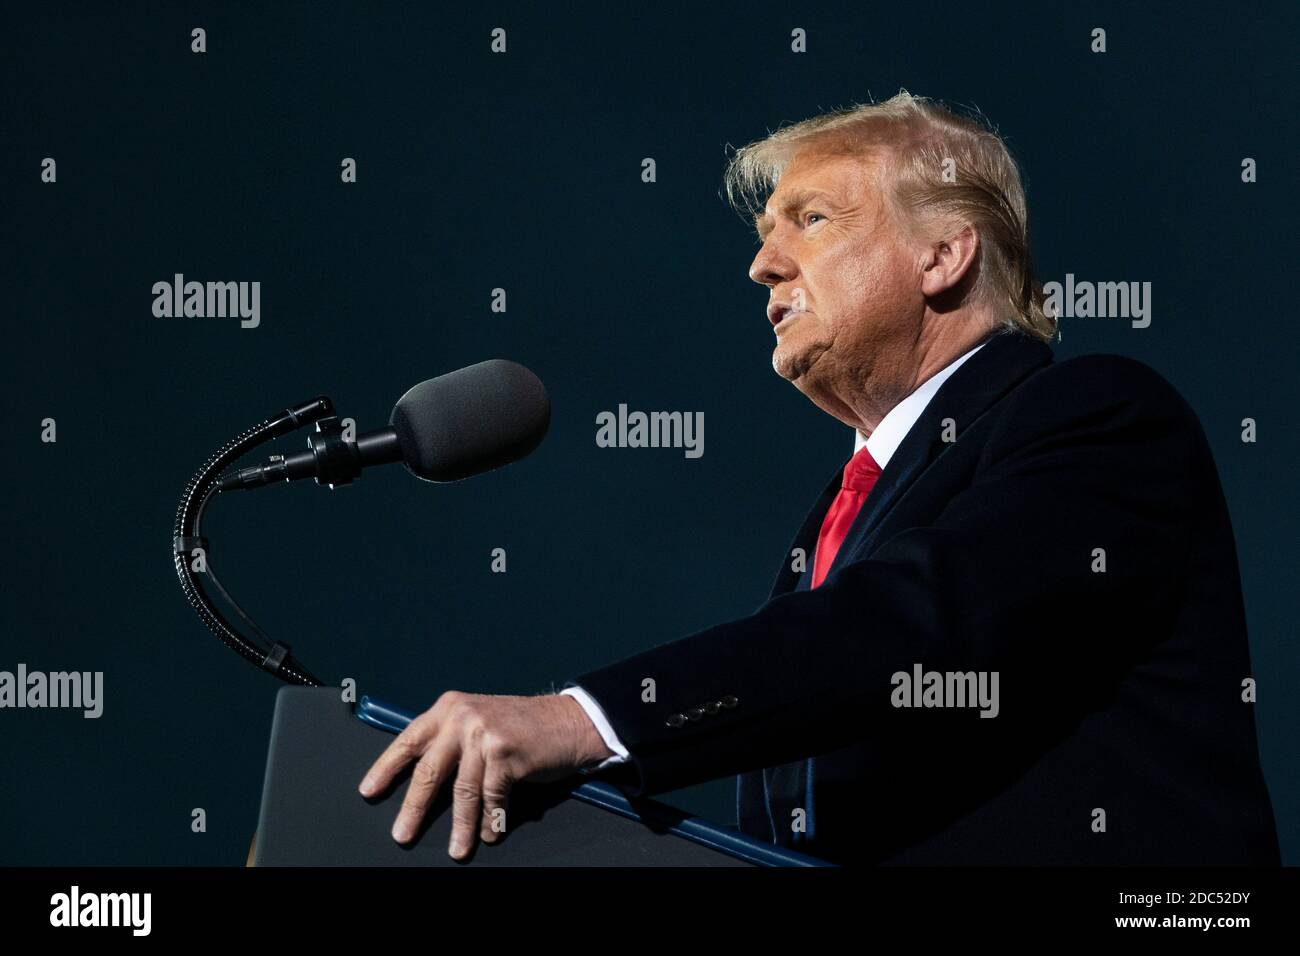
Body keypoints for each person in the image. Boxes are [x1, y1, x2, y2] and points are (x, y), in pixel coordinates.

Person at [358, 92, 1280, 865]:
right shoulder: (836, 526)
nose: (763, 263)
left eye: (812, 219)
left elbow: (909, 625)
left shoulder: (1100, 416)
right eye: (767, 233)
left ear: (943, 254)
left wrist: (581, 721)